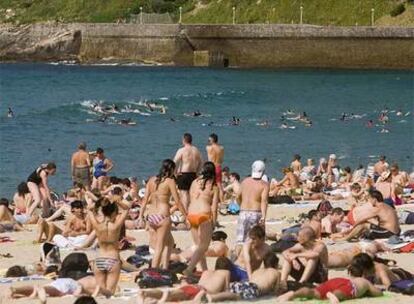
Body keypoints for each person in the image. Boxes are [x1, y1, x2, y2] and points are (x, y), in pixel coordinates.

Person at [138, 159, 187, 269]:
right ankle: (153, 271)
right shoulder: (170, 181)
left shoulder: (151, 180)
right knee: (159, 246)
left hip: (151, 216)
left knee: (169, 242)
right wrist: (186, 215)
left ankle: (165, 267)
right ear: (171, 169)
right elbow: (178, 201)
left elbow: (145, 199)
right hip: (162, 216)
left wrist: (141, 215)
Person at [136, 256, 232, 303]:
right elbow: (226, 290)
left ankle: (148, 294)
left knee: (177, 294)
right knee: (175, 296)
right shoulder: (226, 272)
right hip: (200, 291)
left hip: (194, 287)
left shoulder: (207, 272)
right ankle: (160, 296)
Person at [184, 161, 219, 276]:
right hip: (204, 214)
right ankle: (189, 269)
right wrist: (214, 222)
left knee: (199, 247)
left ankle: (205, 271)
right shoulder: (214, 186)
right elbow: (214, 207)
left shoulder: (194, 182)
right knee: (203, 246)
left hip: (191, 214)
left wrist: (185, 217)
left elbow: (188, 199)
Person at [88, 198, 128, 294]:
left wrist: (100, 202)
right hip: (113, 260)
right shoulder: (116, 226)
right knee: (110, 291)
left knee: (102, 292)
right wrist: (117, 201)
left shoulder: (97, 226)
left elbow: (89, 209)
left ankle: (97, 293)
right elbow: (126, 209)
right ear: (113, 212)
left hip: (99, 260)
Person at [207, 252, 281, 302]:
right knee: (236, 296)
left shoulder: (257, 271)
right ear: (276, 264)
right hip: (253, 289)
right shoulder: (276, 273)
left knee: (229, 291)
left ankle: (210, 294)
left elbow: (250, 280)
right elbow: (277, 291)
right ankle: (213, 297)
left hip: (242, 284)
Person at [236, 161, 269, 249]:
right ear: (263, 171)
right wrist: (264, 216)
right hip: (256, 212)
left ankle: (236, 260)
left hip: (243, 212)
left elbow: (237, 196)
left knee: (240, 241)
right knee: (256, 241)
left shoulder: (245, 181)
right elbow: (264, 201)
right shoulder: (264, 184)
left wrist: (241, 206)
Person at [277, 276, 382, 303]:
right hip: (348, 285)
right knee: (341, 293)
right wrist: (377, 290)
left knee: (313, 292)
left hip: (334, 281)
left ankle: (293, 294)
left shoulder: (352, 278)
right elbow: (378, 294)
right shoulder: (365, 282)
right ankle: (333, 296)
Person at [348, 253, 413, 289]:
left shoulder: (380, 269)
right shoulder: (364, 270)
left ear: (364, 267)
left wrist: (372, 286)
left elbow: (388, 286)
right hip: (392, 272)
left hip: (401, 275)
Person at [174, 133, 203, 211]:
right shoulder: (196, 150)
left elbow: (175, 161)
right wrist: (197, 172)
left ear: (184, 140)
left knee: (184, 194)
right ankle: (190, 210)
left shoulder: (182, 150)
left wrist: (175, 172)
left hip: (183, 173)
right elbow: (201, 162)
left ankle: (186, 211)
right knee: (191, 193)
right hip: (193, 174)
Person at [206, 133, 225, 203]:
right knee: (219, 185)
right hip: (218, 166)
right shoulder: (221, 148)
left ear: (212, 140)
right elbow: (222, 159)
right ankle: (222, 201)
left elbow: (208, 158)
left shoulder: (208, 148)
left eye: (209, 140)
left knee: (209, 183)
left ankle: (209, 199)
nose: (208, 141)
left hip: (211, 167)